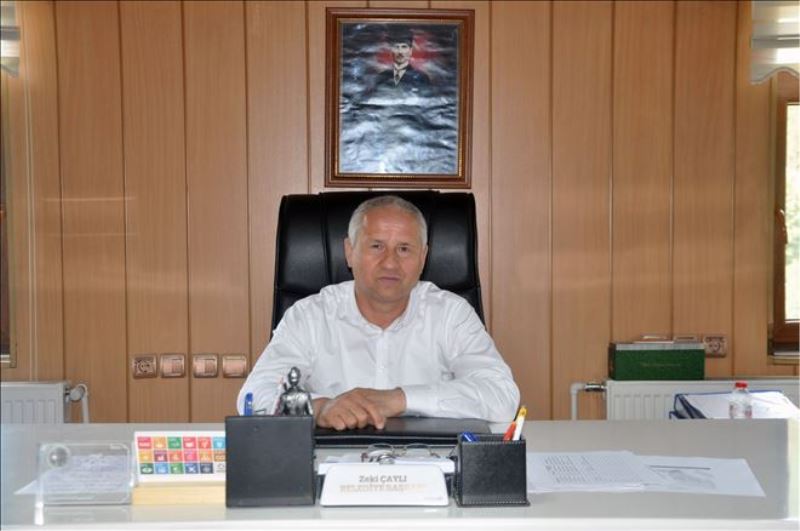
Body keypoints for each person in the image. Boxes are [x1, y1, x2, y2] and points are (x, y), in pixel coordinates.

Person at [237, 195, 519, 430]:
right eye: (376, 246)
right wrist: (319, 408)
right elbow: (253, 397)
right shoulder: (309, 316)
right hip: (329, 460)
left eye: (404, 249)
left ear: (423, 257)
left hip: (430, 460)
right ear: (350, 252)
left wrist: (398, 399)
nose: (390, 263)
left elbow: (502, 396)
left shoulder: (451, 314)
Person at [372, 26, 431, 95]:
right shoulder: (382, 77)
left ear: (410, 51)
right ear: (391, 51)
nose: (400, 52)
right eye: (396, 47)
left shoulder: (421, 78)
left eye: (404, 47)